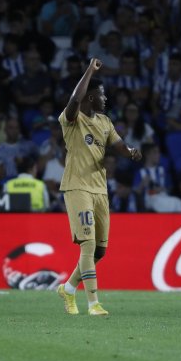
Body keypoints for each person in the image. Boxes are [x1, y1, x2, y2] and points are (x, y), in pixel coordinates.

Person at [56, 58, 142, 316]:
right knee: (88, 245)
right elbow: (74, 100)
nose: (106, 99)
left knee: (100, 251)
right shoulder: (71, 119)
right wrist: (89, 71)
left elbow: (118, 147)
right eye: (102, 95)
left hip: (100, 189)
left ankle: (69, 289)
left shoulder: (105, 122)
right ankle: (93, 303)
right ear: (91, 97)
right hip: (77, 187)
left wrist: (130, 153)